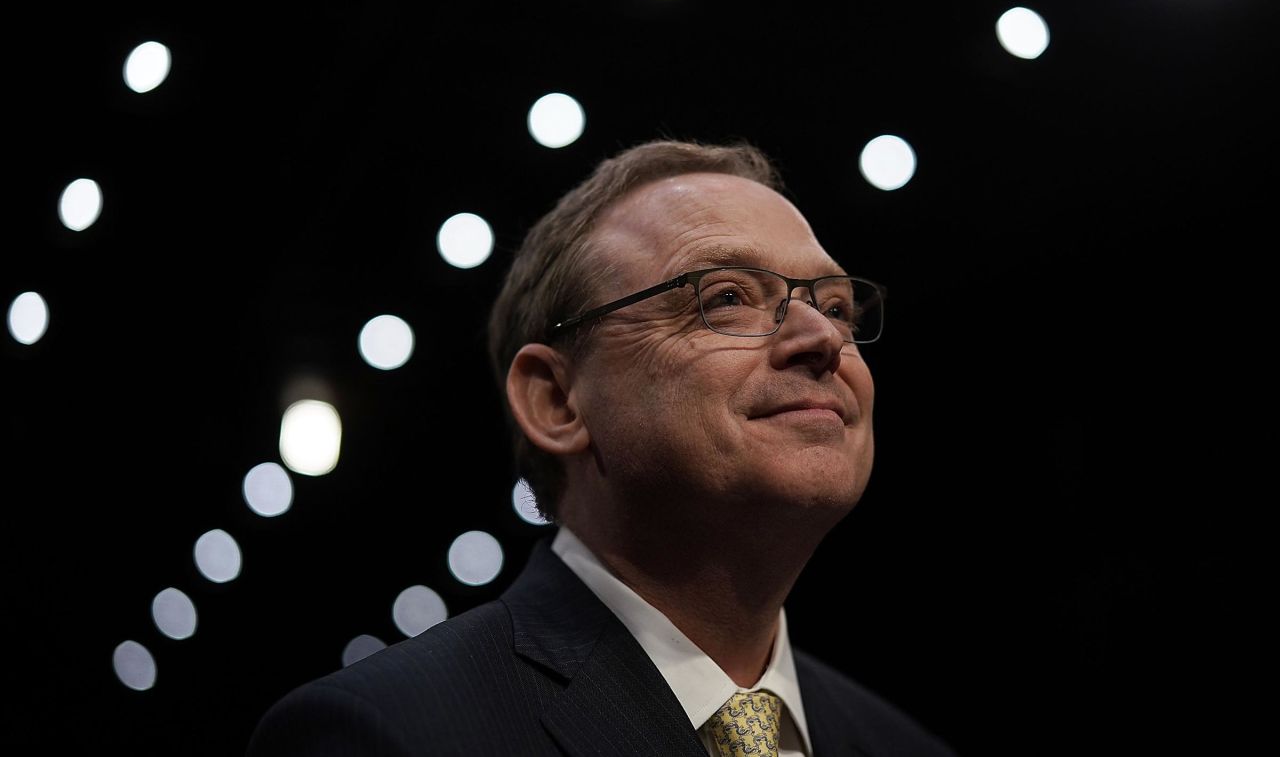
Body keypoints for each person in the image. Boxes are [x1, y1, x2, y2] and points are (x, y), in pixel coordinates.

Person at [247, 140, 957, 756]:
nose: (824, 339)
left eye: (835, 305)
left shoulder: (906, 747)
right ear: (556, 401)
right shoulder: (380, 736)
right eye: (726, 297)